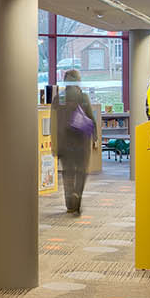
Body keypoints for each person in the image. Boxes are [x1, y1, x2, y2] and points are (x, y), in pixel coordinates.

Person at [55, 69, 95, 214]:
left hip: (65, 142)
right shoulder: (83, 97)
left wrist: (55, 144)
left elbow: (54, 123)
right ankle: (77, 196)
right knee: (81, 171)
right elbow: (91, 119)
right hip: (82, 142)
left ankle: (69, 203)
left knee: (68, 173)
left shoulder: (58, 98)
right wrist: (95, 138)